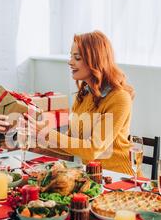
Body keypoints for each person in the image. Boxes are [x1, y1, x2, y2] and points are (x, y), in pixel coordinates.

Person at [26, 31, 135, 175]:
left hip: (119, 178)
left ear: (95, 60)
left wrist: (47, 134)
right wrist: (39, 136)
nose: (70, 62)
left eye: (77, 57)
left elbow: (93, 149)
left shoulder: (119, 98)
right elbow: (72, 143)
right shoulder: (85, 94)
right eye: (71, 56)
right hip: (93, 176)